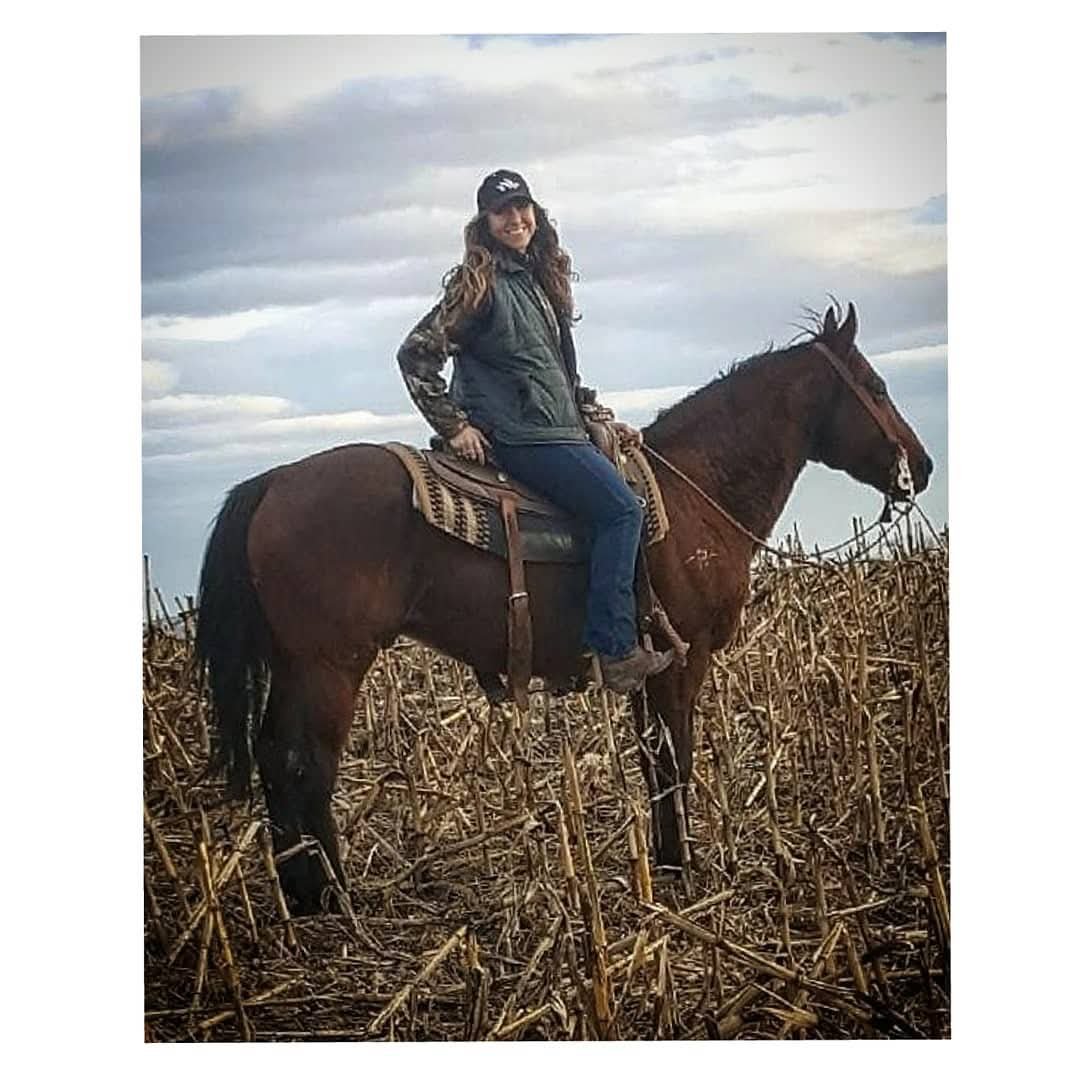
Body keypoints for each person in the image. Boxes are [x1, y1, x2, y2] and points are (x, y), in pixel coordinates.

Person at [397, 169, 673, 693]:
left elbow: (556, 379)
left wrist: (595, 415)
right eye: (502, 212)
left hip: (556, 428)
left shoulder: (536, 284)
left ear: (536, 214)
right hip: (522, 436)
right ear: (485, 222)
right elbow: (416, 353)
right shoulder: (478, 286)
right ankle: (614, 647)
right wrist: (453, 426)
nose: (515, 219)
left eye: (522, 208)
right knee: (621, 511)